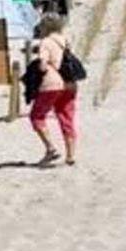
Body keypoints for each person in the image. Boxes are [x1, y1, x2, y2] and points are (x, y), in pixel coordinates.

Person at [26, 12, 81, 166]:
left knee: (37, 116)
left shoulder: (46, 42)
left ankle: (50, 148)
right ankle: (70, 155)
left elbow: (43, 65)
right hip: (69, 83)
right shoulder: (65, 40)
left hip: (51, 83)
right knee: (66, 117)